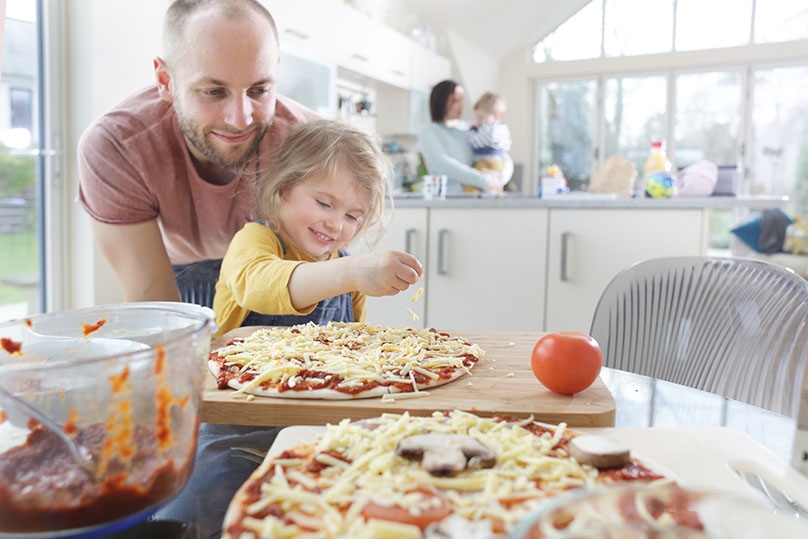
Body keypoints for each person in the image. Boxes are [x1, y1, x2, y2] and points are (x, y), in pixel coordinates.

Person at [77, 0, 317, 306]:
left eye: (259, 90)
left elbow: (323, 263)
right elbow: (152, 297)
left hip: (283, 276)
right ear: (165, 81)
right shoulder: (117, 145)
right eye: (214, 92)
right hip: (180, 275)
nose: (240, 119)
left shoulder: (308, 142)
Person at [213, 119, 423, 336]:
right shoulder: (255, 238)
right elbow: (256, 287)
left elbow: (357, 344)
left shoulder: (348, 271)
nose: (336, 225)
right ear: (284, 190)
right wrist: (350, 272)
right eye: (324, 204)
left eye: (351, 216)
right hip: (232, 368)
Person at [418, 80, 512, 195]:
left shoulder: (470, 129)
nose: (462, 105)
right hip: (448, 202)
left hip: (477, 200)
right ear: (441, 101)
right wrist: (485, 180)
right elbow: (442, 164)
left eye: (462, 99)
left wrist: (500, 177)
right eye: (456, 100)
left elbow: (503, 155)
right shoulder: (429, 132)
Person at [468, 92, 512, 186]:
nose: (478, 120)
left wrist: (472, 130)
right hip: (499, 163)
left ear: (496, 116)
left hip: (486, 163)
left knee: (470, 184)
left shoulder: (488, 127)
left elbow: (475, 142)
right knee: (495, 186)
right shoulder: (503, 127)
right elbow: (506, 147)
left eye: (481, 117)